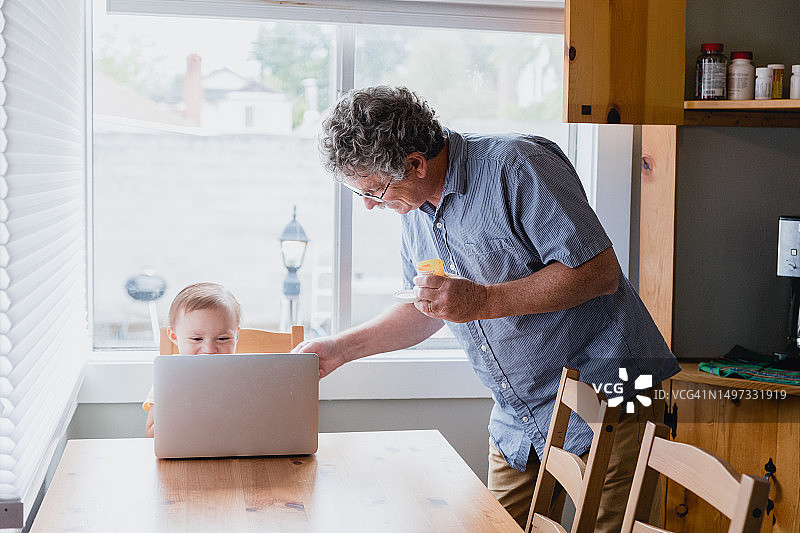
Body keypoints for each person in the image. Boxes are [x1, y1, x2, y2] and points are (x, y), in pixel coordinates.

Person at [293, 85, 680, 530]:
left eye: (375, 192)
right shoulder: (416, 209)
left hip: (615, 388)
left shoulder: (516, 166)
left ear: (416, 164)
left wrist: (481, 300)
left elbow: (598, 272)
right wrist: (341, 349)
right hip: (521, 412)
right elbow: (428, 308)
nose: (368, 205)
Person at [143, 282, 241, 438]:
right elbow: (151, 433)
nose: (209, 350)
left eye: (223, 338)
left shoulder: (246, 375)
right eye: (196, 339)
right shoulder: (168, 377)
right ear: (174, 337)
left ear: (236, 336)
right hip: (184, 457)